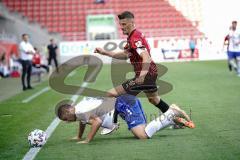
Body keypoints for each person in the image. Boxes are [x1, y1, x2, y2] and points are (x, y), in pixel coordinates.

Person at [94, 11, 176, 119]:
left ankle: (112, 122)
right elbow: (124, 55)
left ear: (132, 22)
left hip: (145, 75)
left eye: (124, 24)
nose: (122, 27)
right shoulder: (132, 37)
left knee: (111, 94)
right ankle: (176, 118)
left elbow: (146, 57)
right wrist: (104, 52)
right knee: (154, 99)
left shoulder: (135, 38)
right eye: (120, 25)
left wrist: (141, 76)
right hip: (150, 73)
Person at [57, 95, 194, 143]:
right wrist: (79, 136)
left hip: (123, 104)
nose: (67, 121)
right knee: (144, 131)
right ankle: (170, 118)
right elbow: (83, 121)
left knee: (142, 135)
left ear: (69, 110)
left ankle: (172, 112)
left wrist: (87, 140)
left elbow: (96, 122)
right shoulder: (80, 108)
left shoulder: (80, 112)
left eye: (65, 118)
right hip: (123, 103)